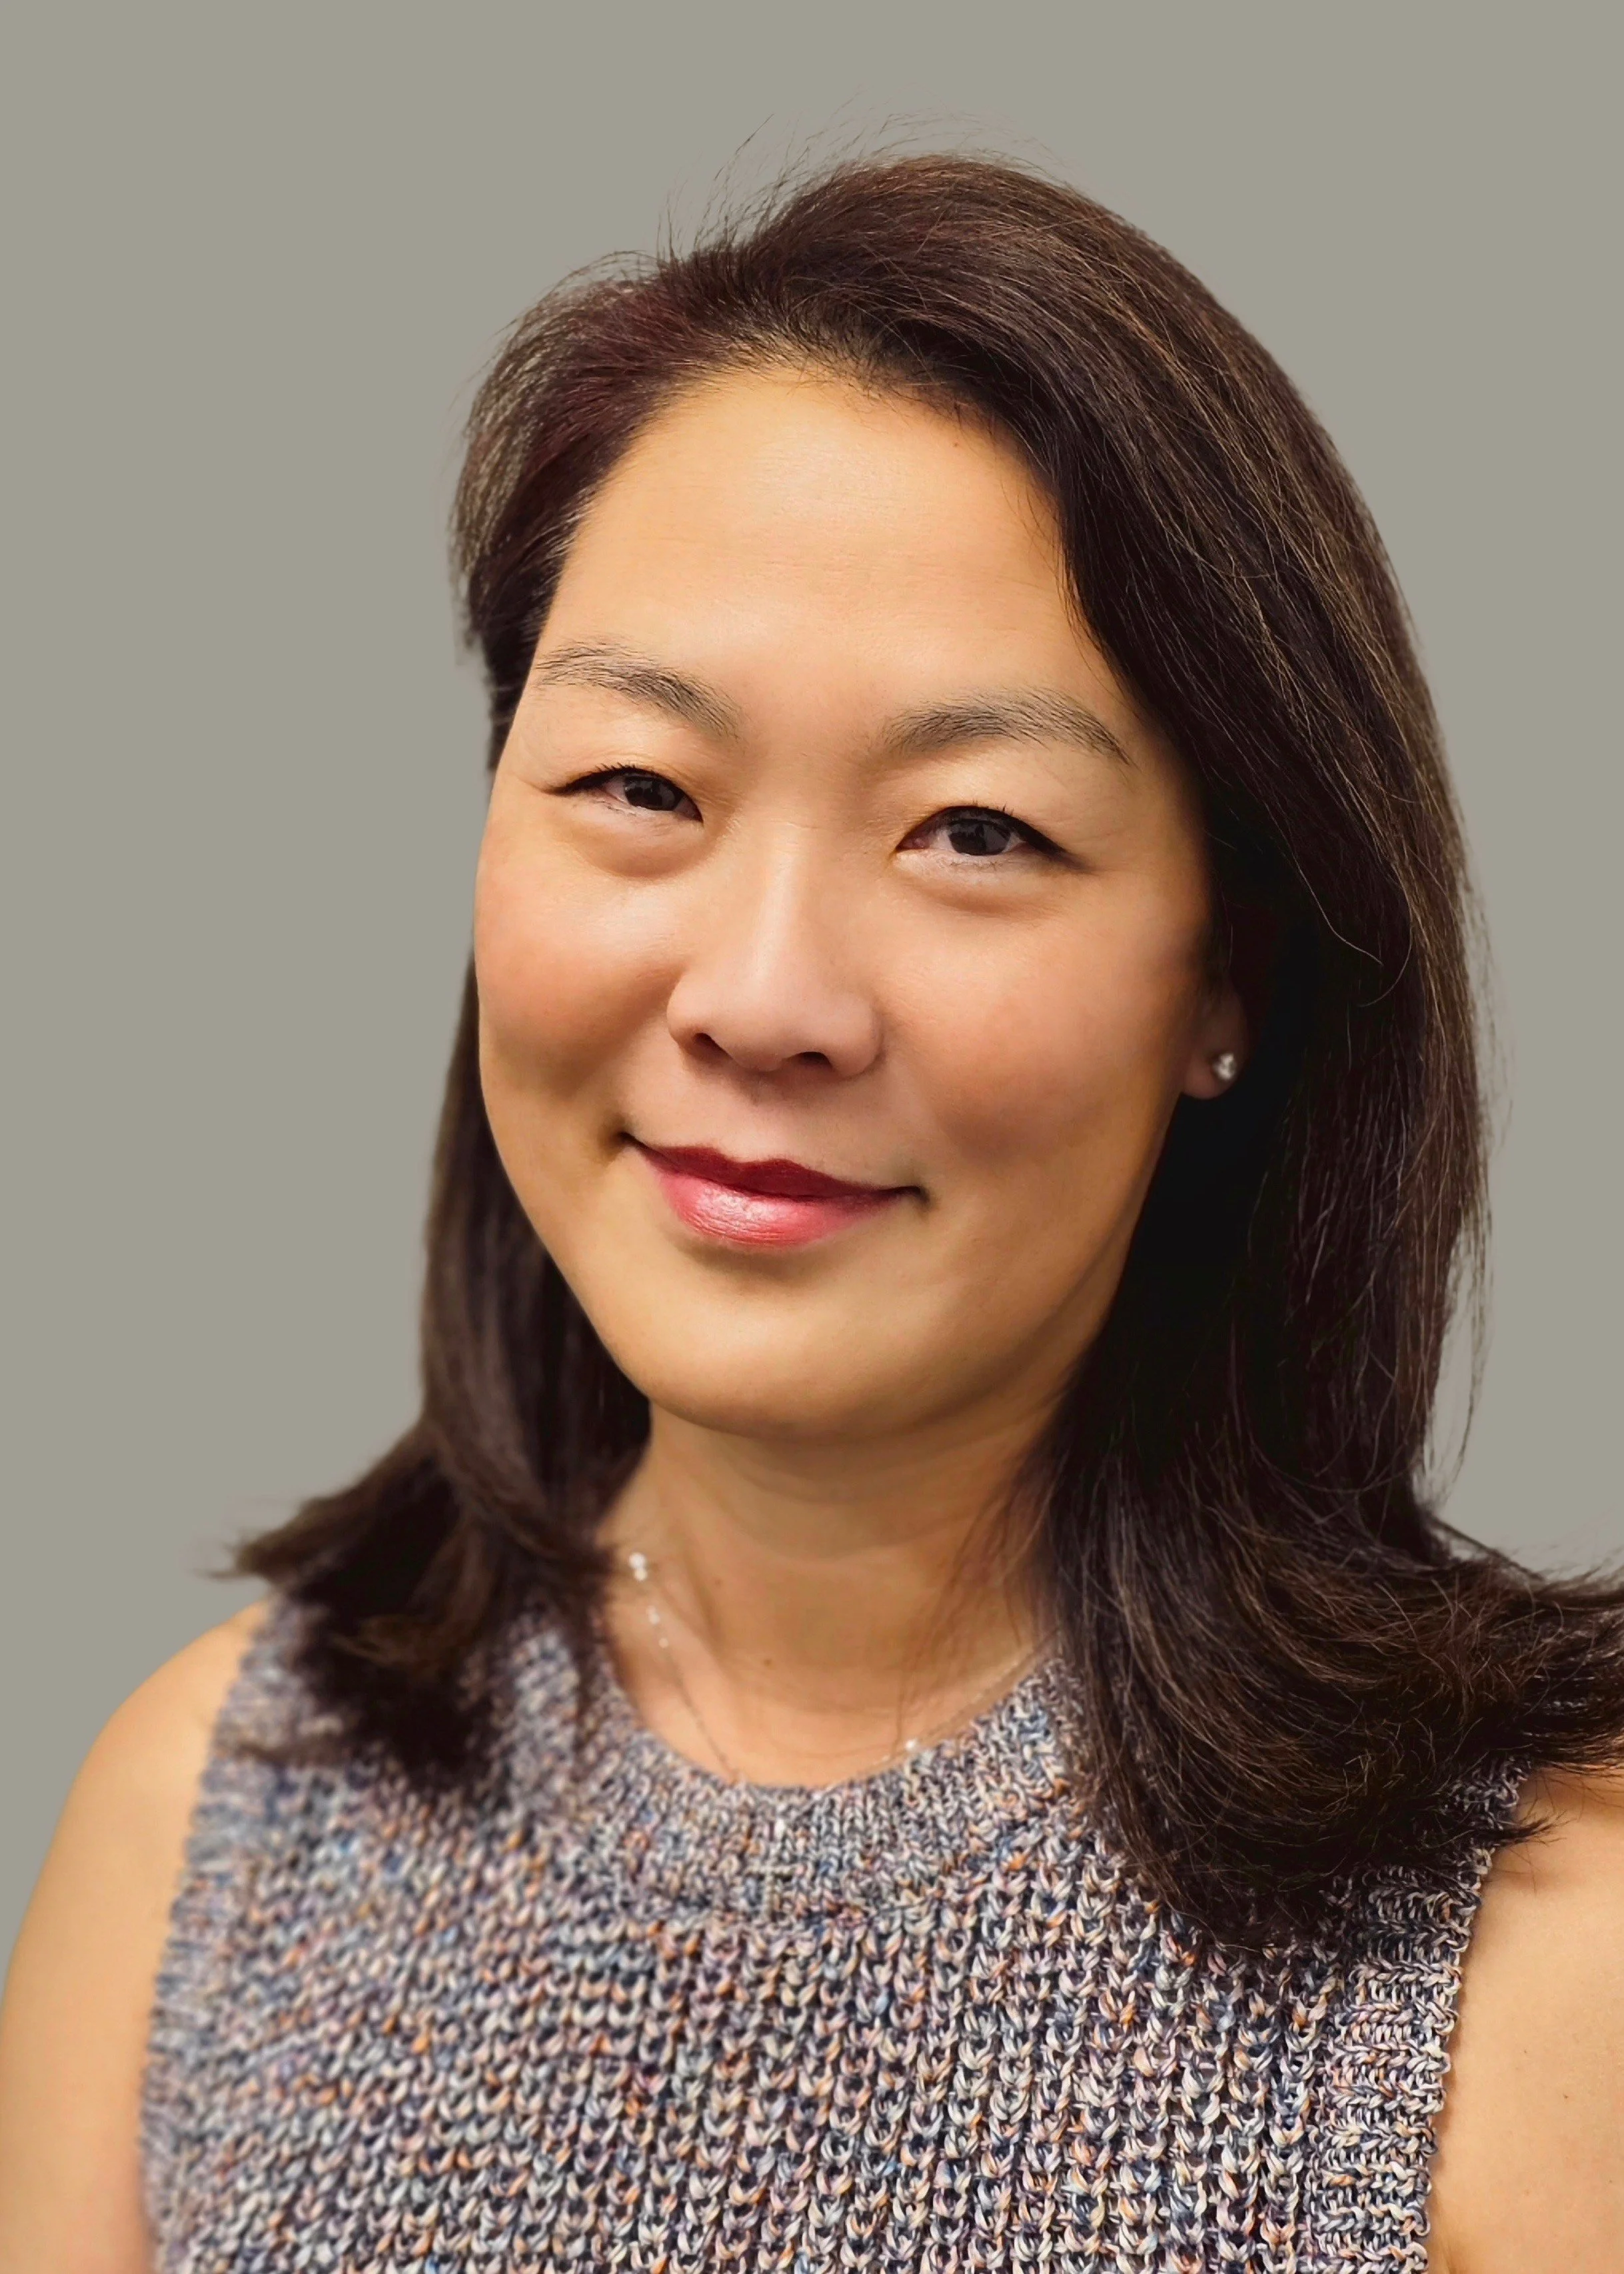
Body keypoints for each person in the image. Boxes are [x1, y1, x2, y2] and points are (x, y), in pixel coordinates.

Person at [1, 151, 1620, 2273]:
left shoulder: (1544, 1940)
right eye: (639, 787)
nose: (763, 998)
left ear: (1227, 973)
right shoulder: (219, 1815)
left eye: (974, 829)